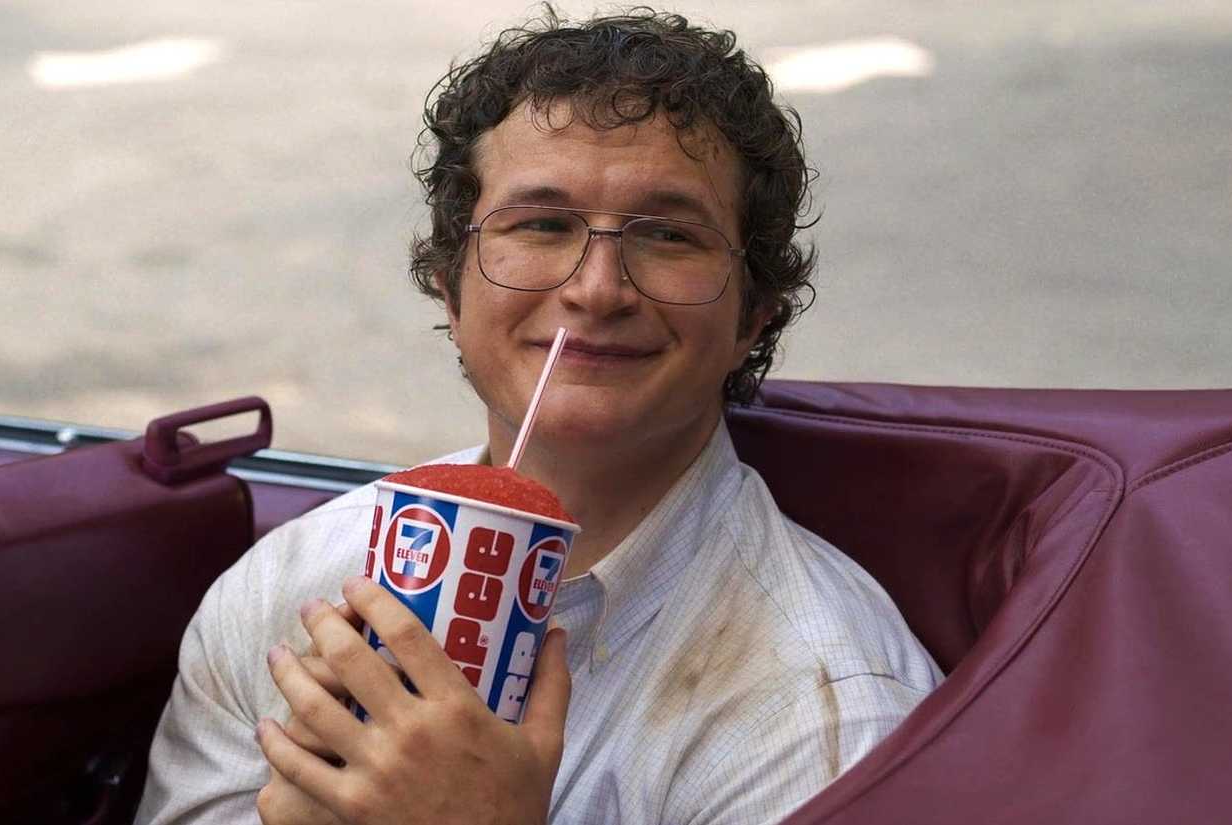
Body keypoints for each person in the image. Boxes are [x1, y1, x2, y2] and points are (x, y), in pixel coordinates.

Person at [137, 8, 941, 825]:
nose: (597, 289)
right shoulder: (284, 590)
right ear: (449, 286)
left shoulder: (819, 712)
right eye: (543, 224)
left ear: (755, 313)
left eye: (667, 235)